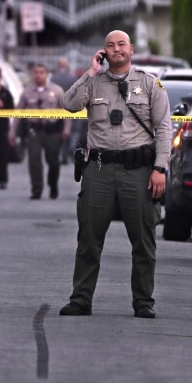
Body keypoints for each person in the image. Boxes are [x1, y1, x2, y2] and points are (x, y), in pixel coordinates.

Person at [58, 30, 172, 319]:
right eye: (110, 45)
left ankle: (143, 301)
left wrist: (160, 168)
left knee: (143, 241)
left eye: (122, 44)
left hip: (138, 171)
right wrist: (90, 71)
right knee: (89, 239)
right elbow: (69, 104)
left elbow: (163, 129)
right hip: (99, 170)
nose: (116, 49)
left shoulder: (150, 84)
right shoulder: (93, 82)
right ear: (103, 52)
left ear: (132, 49)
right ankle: (81, 299)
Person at [9, 64, 70, 200]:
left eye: (41, 72)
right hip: (34, 131)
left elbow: (66, 112)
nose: (38, 75)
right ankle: (36, 189)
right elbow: (18, 113)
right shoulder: (26, 92)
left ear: (47, 74)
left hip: (52, 131)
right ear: (32, 74)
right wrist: (12, 132)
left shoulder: (57, 90)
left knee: (53, 161)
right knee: (34, 160)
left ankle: (53, 184)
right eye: (36, 72)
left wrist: (66, 129)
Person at [52, 57, 76, 164]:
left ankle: (62, 153)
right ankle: (70, 149)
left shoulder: (53, 78)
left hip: (57, 108)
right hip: (71, 107)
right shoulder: (72, 78)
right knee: (72, 130)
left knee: (60, 131)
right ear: (66, 66)